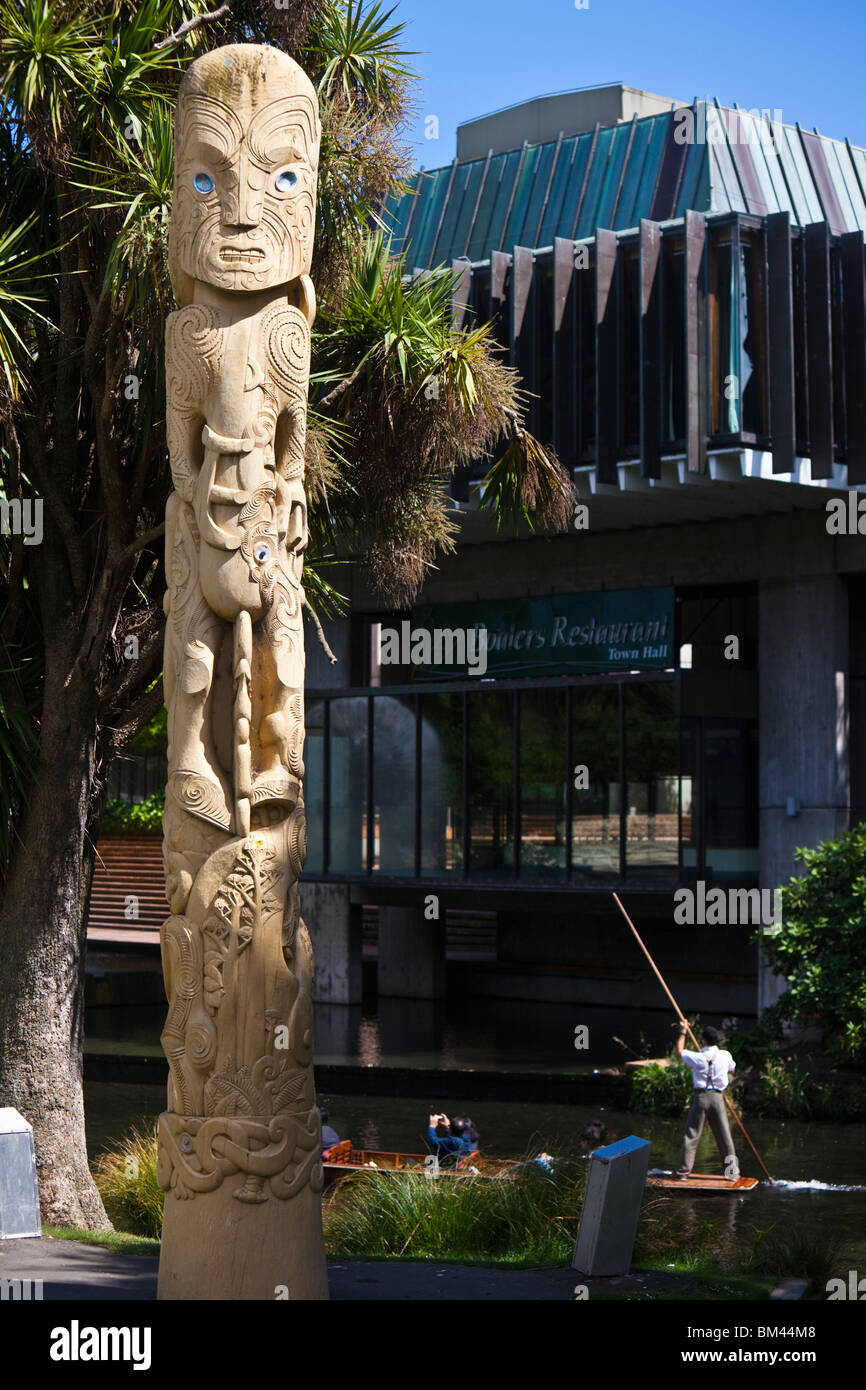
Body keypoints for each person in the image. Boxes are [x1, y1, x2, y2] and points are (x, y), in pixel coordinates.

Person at [673, 1022, 739, 1180]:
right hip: (717, 1098)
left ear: (702, 1040)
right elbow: (732, 1069)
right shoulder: (725, 1055)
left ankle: (682, 1173)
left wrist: (683, 1031)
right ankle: (732, 1173)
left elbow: (679, 1052)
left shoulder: (698, 1057)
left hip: (701, 1098)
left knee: (692, 1135)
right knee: (724, 1137)